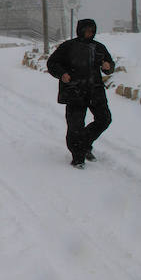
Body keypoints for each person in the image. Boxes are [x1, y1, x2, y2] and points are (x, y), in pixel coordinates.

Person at [46, 18, 115, 168]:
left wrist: (108, 66)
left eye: (92, 30)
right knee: (75, 125)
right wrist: (62, 73)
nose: (89, 33)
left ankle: (84, 144)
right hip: (74, 90)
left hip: (95, 90)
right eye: (87, 30)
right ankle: (78, 157)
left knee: (104, 119)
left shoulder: (99, 47)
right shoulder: (68, 46)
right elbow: (52, 63)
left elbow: (109, 65)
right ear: (80, 30)